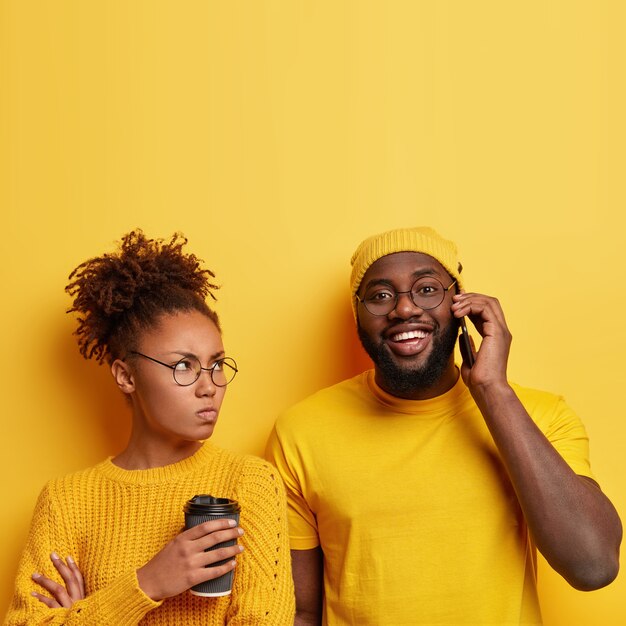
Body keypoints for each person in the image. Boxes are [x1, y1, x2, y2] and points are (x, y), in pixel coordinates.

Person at [266, 226, 622, 626]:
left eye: (427, 289)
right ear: (358, 316)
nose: (404, 309)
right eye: (380, 296)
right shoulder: (301, 431)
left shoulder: (540, 416)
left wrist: (493, 391)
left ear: (461, 302)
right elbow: (302, 613)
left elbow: (593, 565)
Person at [4, 230, 295, 625]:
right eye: (183, 366)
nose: (209, 385)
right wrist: (148, 583)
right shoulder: (66, 501)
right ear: (126, 376)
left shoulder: (249, 484)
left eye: (216, 364)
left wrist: (80, 615)